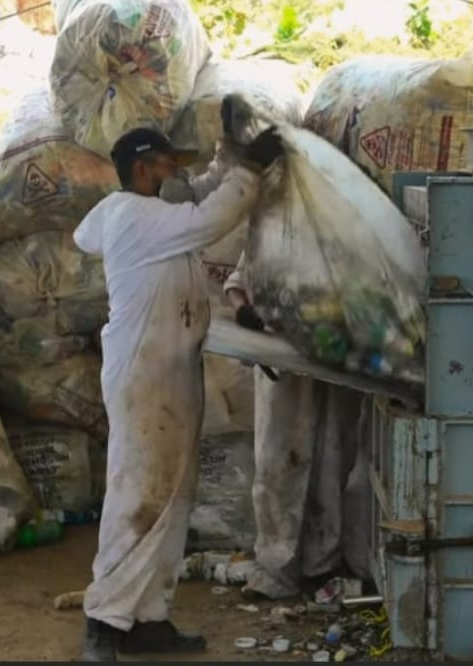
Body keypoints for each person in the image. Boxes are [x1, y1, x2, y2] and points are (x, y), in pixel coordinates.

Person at [72, 110, 284, 662]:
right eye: (166, 162)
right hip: (146, 376)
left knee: (173, 497)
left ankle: (149, 618)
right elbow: (215, 216)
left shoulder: (136, 217)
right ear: (143, 169)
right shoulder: (136, 218)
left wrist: (232, 158)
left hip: (170, 372)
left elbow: (92, 231)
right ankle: (104, 620)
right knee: (137, 493)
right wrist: (251, 171)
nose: (173, 172)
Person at [224, 253, 372, 601]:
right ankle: (277, 567)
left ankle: (323, 563)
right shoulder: (273, 229)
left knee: (332, 462)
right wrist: (244, 311)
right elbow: (238, 282)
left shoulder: (346, 233)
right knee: (278, 465)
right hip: (283, 363)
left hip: (335, 360)